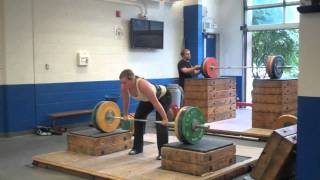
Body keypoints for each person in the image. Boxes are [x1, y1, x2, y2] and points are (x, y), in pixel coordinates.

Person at [119, 69, 172, 160]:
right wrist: (126, 114)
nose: (123, 85)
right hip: (147, 99)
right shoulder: (124, 87)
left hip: (163, 97)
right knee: (138, 118)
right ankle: (137, 148)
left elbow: (155, 102)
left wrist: (165, 118)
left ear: (131, 79)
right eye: (122, 82)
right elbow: (125, 100)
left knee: (160, 123)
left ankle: (162, 153)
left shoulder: (142, 84)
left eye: (125, 82)